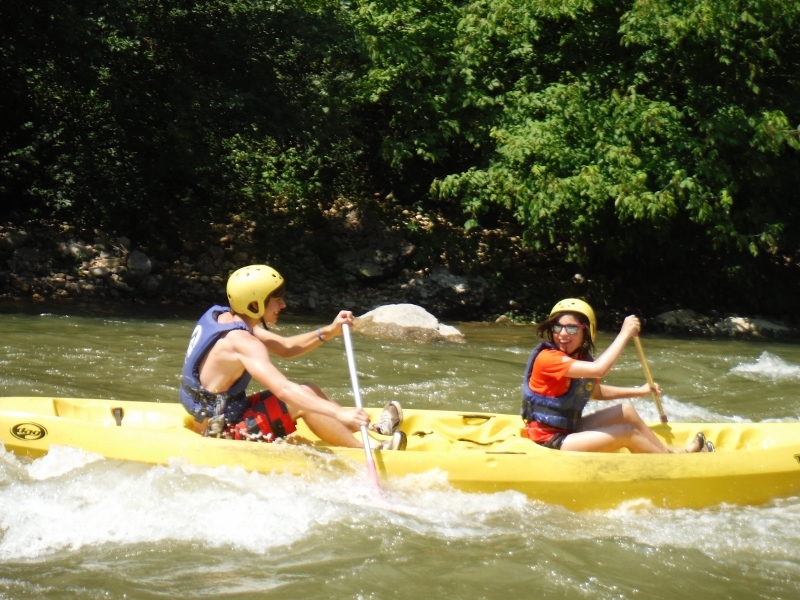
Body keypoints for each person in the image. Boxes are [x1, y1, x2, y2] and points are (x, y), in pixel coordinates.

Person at [179, 264, 406, 450]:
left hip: (227, 414)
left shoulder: (224, 318)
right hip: (222, 434)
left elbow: (286, 347)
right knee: (301, 400)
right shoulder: (243, 343)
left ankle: (370, 432)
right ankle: (367, 450)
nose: (283, 305)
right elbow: (285, 391)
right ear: (255, 304)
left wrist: (330, 331)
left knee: (310, 389)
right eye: (277, 299)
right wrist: (338, 412)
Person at [521, 298, 712, 453]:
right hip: (548, 439)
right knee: (627, 433)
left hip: (569, 428)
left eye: (571, 328)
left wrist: (640, 392)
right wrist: (624, 334)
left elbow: (595, 392)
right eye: (557, 327)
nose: (562, 334)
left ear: (586, 332)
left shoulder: (580, 359)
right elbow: (599, 370)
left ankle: (667, 453)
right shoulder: (548, 358)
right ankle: (673, 464)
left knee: (626, 411)